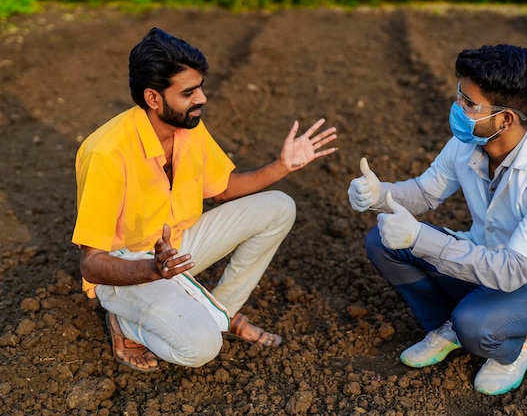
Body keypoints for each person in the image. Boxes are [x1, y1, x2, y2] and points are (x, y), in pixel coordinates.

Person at [72, 27, 337, 372]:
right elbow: (92, 264)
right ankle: (126, 325)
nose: (202, 99)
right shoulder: (107, 152)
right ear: (153, 98)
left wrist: (282, 167)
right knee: (200, 349)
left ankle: (219, 309)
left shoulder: (187, 128)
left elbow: (223, 188)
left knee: (278, 206)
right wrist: (152, 269)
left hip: (176, 253)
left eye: (199, 87)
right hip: (129, 271)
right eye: (189, 92)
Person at [348, 44, 527, 395]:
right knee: (381, 241)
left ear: (506, 118)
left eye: (470, 104)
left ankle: (514, 348)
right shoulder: (470, 141)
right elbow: (426, 192)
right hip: (481, 254)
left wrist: (419, 238)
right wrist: (380, 194)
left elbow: (509, 271)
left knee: (474, 323)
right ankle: (447, 327)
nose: (458, 108)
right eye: (460, 95)